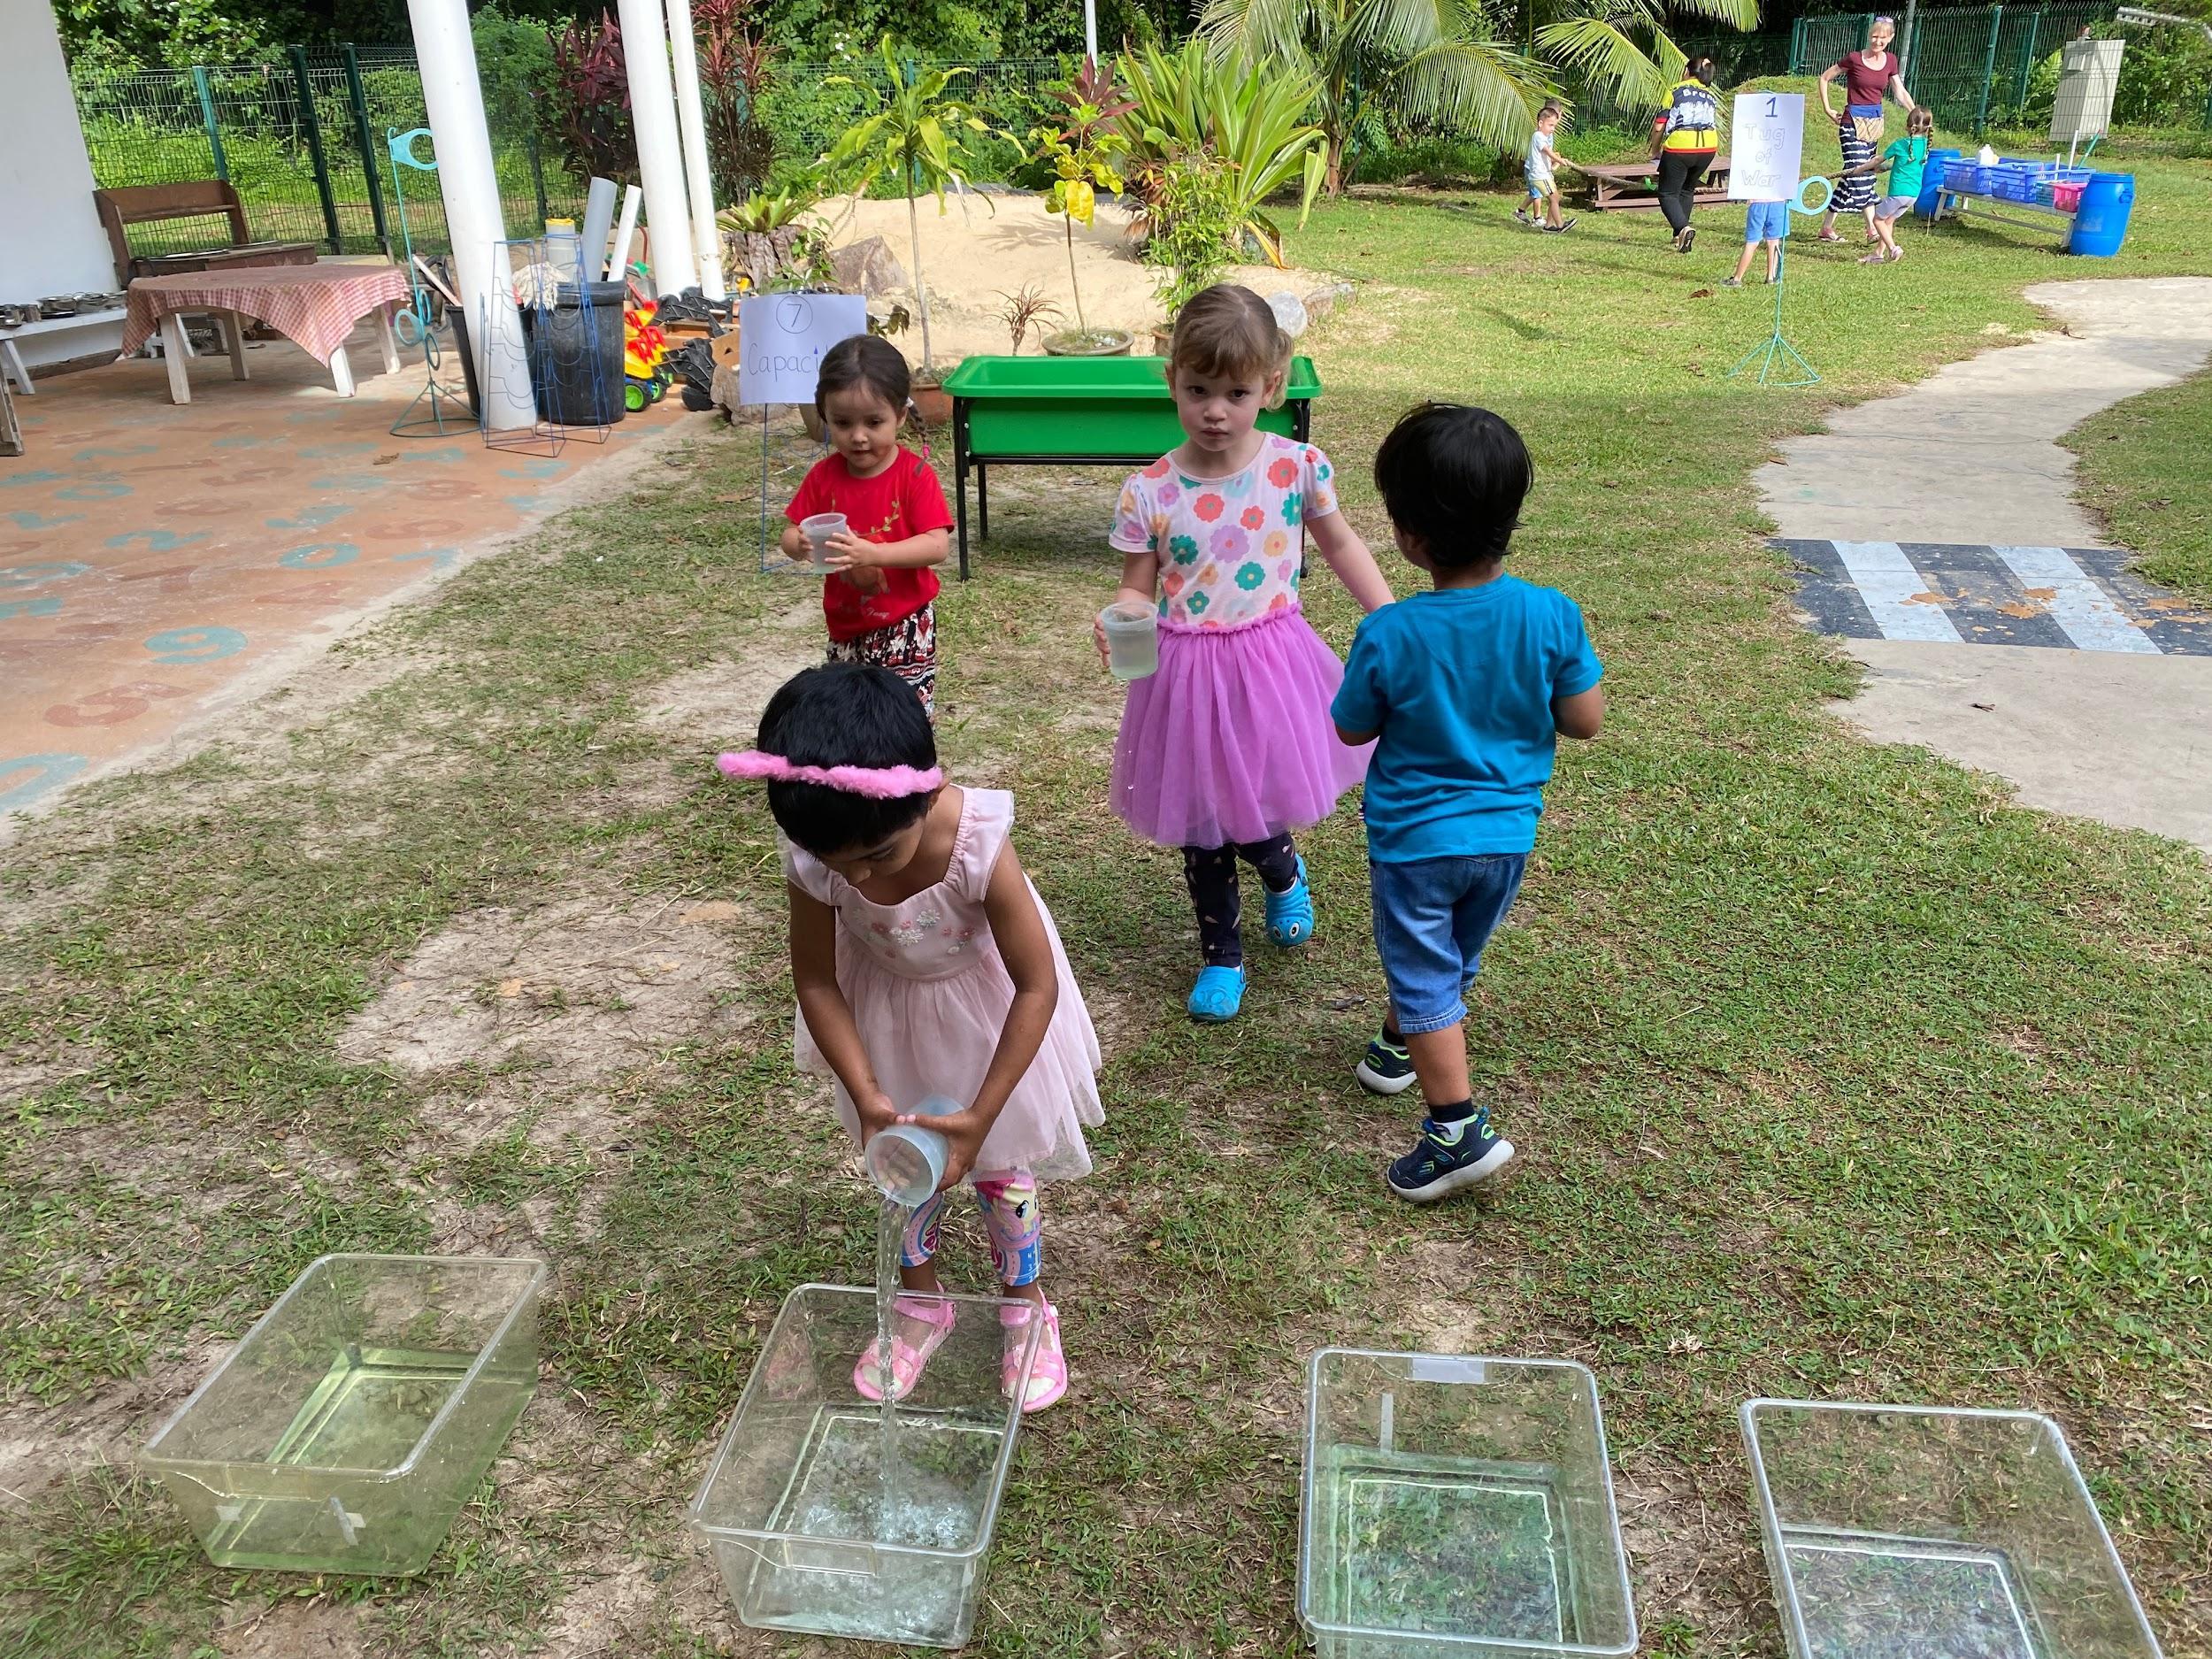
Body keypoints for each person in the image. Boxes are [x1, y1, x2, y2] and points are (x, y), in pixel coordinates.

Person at [718, 663, 1104, 1411]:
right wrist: (867, 1092)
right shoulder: (819, 851)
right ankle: (921, 1303)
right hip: (887, 1017)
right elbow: (817, 980)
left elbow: (1036, 983)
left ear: (928, 792)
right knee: (902, 1164)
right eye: (840, 866)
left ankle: (1024, 1304)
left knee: (1001, 1168)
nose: (858, 879)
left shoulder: (977, 840)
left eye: (878, 856)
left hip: (989, 1016)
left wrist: (983, 1113)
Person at [1332, 404, 1604, 1202]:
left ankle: (1455, 1130)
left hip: (1417, 843)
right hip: (1506, 839)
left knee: (1424, 971)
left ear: (1409, 535)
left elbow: (1352, 727)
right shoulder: (1552, 613)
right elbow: (1584, 720)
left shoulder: (1392, 631)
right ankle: (1398, 1045)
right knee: (1447, 959)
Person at [1100, 284, 1394, 1023]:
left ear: (1271, 385)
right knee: (1202, 820)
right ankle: (1222, 954)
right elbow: (1137, 585)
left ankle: (1283, 871)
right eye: (1198, 390)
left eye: (1235, 392)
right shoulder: (1149, 491)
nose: (1215, 410)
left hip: (1271, 666)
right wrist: (1125, 615)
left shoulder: (1296, 467)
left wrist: (1389, 617)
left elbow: (1341, 545)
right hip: (1185, 675)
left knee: (1254, 805)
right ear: (1172, 380)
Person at [781, 335, 954, 718]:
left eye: (874, 422)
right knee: (848, 713)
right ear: (825, 417)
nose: (858, 436)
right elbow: (790, 533)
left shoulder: (914, 476)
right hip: (845, 624)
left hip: (904, 623)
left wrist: (873, 553)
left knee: (901, 714)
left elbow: (936, 545)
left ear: (900, 416)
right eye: (843, 423)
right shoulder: (824, 477)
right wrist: (799, 543)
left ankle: (907, 760)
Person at [1816, 14, 1916, 244]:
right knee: (1862, 173)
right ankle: (1873, 228)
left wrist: (1915, 113)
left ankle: (1826, 228)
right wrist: (1827, 109)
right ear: (1869, 35)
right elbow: (1825, 78)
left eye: (1882, 38)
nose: (1877, 41)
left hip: (1874, 125)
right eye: (1874, 36)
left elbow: (1900, 91)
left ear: (1890, 38)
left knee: (1853, 173)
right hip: (1851, 123)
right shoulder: (1854, 59)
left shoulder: (1891, 61)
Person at [1839, 105, 1936, 264]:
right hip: (1913, 195)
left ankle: (1893, 248)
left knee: (1877, 220)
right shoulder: (1926, 145)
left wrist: (1859, 169)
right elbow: (1905, 164)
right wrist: (1885, 168)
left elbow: (1877, 159)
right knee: (1888, 221)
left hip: (1898, 193)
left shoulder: (1900, 144)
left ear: (1908, 125)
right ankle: (1878, 254)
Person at [1651, 58, 1721, 253]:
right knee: (1687, 190)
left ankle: (1683, 228)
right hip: (1708, 148)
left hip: (1681, 147)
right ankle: (1679, 235)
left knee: (1667, 193)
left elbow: (1659, 125)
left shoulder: (1675, 90)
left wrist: (1654, 150)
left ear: (1687, 71)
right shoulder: (1710, 94)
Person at [1517, 103, 1580, 233]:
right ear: (1541, 123)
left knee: (1555, 198)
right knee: (1554, 198)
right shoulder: (1538, 136)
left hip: (1545, 174)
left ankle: (1549, 226)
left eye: (1554, 126)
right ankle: (1560, 225)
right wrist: (1560, 160)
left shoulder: (1544, 137)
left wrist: (1556, 163)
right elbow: (1547, 151)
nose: (1552, 129)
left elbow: (1547, 156)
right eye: (1550, 125)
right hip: (1540, 176)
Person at [1724, 193, 1791, 288]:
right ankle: (1771, 277)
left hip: (1758, 203)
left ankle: (1737, 279)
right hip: (1778, 204)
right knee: (1773, 242)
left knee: (1752, 243)